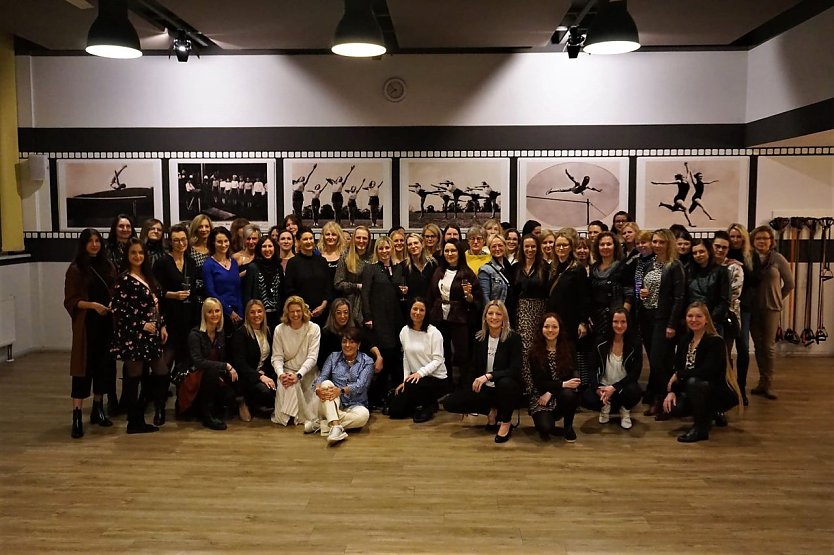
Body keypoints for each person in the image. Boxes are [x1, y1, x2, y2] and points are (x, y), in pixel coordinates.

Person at [110, 238, 169, 434]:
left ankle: (144, 407)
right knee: (133, 376)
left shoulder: (148, 276)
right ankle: (134, 420)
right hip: (133, 335)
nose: (138, 257)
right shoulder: (124, 279)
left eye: (141, 253)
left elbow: (157, 304)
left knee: (161, 372)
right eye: (133, 253)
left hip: (152, 334)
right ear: (127, 256)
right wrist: (142, 324)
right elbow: (119, 310)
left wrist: (161, 326)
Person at [443, 301, 523, 443]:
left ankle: (506, 422)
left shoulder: (513, 338)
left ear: (504, 317)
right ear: (485, 317)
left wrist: (489, 375)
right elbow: (472, 367)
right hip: (486, 390)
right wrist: (468, 393)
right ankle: (491, 411)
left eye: (498, 314)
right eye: (490, 313)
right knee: (451, 403)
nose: (494, 317)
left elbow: (514, 370)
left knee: (505, 383)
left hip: (505, 389)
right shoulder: (479, 338)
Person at [64, 229, 117, 438]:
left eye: (97, 241)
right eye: (90, 241)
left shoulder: (108, 265)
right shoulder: (76, 269)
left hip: (106, 323)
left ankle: (98, 407)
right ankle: (77, 413)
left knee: (103, 366)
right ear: (83, 244)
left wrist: (111, 304)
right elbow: (70, 300)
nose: (94, 245)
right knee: (83, 368)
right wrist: (93, 306)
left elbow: (114, 289)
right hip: (87, 325)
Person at [663, 302, 741, 442]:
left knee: (694, 382)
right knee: (675, 408)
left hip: (717, 390)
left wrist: (680, 375)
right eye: (690, 316)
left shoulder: (715, 342)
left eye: (698, 316)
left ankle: (701, 429)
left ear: (706, 319)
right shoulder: (684, 341)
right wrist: (672, 391)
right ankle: (710, 413)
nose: (693, 320)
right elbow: (677, 368)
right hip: (693, 389)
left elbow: (708, 371)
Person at [153, 224, 197, 423]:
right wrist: (172, 295)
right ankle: (159, 406)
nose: (181, 243)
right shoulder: (162, 262)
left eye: (183, 239)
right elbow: (154, 292)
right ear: (170, 241)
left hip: (188, 320)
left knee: (184, 365)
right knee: (164, 366)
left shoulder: (191, 262)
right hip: (169, 319)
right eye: (177, 240)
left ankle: (182, 406)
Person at [642, 229, 687, 419]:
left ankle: (665, 401)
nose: (657, 245)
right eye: (654, 241)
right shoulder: (650, 263)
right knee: (655, 362)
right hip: (647, 316)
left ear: (669, 243)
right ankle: (658, 398)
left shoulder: (674, 265)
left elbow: (679, 297)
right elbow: (640, 284)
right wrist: (641, 292)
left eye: (661, 242)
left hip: (664, 319)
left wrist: (672, 324)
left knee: (661, 362)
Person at [426, 239, 482, 387]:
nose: (449, 254)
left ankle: (464, 388)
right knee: (442, 353)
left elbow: (476, 299)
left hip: (460, 318)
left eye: (453, 251)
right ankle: (446, 385)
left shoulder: (467, 274)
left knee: (462, 354)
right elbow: (431, 294)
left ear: (459, 253)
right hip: (439, 317)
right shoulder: (438, 271)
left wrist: (469, 297)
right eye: (447, 251)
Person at [181, 298, 242, 430]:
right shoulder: (195, 334)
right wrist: (225, 366)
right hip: (195, 378)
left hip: (214, 376)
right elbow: (199, 362)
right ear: (204, 314)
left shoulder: (220, 333)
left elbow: (222, 357)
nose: (214, 315)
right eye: (210, 312)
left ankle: (212, 408)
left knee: (230, 394)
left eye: (217, 311)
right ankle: (206, 416)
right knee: (212, 371)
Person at [748, 225, 794, 400]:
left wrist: (776, 298)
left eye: (765, 238)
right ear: (753, 241)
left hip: (771, 308)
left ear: (771, 241)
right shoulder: (749, 259)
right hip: (752, 308)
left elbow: (790, 284)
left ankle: (769, 384)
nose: (761, 241)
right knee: (758, 346)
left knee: (768, 346)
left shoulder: (778, 259)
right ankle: (761, 381)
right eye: (758, 238)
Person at [361, 235, 406, 408]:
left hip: (395, 317)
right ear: (376, 251)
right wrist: (367, 317)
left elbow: (400, 290)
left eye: (387, 248)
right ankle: (375, 397)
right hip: (378, 317)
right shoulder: (370, 268)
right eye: (381, 248)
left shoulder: (399, 268)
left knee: (395, 354)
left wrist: (404, 291)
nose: (384, 251)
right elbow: (365, 294)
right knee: (384, 352)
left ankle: (393, 396)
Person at [310, 327, 374, 444]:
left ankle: (321, 425)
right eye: (344, 341)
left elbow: (362, 385)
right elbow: (322, 376)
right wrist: (318, 388)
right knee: (326, 383)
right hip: (333, 403)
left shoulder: (367, 361)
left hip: (356, 404)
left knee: (364, 416)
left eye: (351, 342)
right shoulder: (333, 357)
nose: (347, 345)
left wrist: (341, 391)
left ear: (358, 344)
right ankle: (335, 427)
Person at [388, 298, 447, 422]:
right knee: (394, 411)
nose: (418, 312)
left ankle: (429, 405)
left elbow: (438, 360)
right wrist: (405, 380)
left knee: (411, 388)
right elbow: (406, 357)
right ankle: (421, 403)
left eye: (422, 310)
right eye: (415, 309)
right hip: (415, 380)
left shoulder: (434, 333)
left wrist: (420, 373)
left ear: (426, 313)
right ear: (410, 310)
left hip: (436, 378)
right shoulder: (404, 331)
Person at [583, 308, 643, 430]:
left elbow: (635, 373)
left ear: (628, 323)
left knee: (635, 391)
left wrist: (615, 387)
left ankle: (624, 410)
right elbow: (592, 367)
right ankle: (605, 406)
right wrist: (597, 389)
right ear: (610, 323)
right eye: (615, 321)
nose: (619, 325)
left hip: (622, 387)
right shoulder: (600, 342)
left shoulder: (635, 343)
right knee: (586, 397)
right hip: (604, 386)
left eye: (623, 322)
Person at [528, 313, 581, 442]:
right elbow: (539, 382)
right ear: (541, 328)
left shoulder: (569, 348)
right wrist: (561, 385)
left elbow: (573, 376)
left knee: (569, 394)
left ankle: (568, 426)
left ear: (560, 329)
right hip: (541, 395)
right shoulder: (534, 351)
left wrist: (551, 392)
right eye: (546, 326)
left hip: (559, 393)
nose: (550, 330)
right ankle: (548, 420)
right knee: (545, 428)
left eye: (554, 327)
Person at [270, 296, 321, 427]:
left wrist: (298, 375)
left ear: (303, 311)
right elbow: (277, 357)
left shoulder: (314, 329)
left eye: (298, 310)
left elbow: (312, 357)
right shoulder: (279, 329)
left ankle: (296, 416)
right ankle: (288, 417)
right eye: (292, 311)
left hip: (307, 373)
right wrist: (281, 375)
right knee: (288, 384)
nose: (295, 314)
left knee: (312, 412)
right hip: (287, 372)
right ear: (287, 312)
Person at [231, 300, 277, 418]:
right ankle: (244, 403)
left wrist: (264, 371)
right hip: (246, 376)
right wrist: (259, 376)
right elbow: (239, 363)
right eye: (252, 312)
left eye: (259, 311)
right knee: (265, 392)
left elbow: (270, 357)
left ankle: (260, 406)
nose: (256, 315)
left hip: (262, 373)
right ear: (247, 315)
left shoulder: (267, 331)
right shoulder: (241, 333)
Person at [727, 223, 754, 404]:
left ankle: (741, 386)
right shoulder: (723, 256)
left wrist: (741, 266)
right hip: (726, 308)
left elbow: (756, 278)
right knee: (724, 349)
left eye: (738, 236)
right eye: (732, 236)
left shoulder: (751, 256)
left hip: (744, 308)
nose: (735, 240)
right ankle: (729, 387)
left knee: (743, 347)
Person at [589, 231, 633, 340]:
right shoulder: (593, 268)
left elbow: (629, 294)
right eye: (602, 244)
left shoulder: (624, 266)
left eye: (609, 244)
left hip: (617, 317)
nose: (605, 247)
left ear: (615, 246)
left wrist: (623, 317)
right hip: (597, 319)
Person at [284, 227, 331, 325]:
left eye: (311, 238)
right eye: (305, 239)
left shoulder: (322, 261)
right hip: (300, 313)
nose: (309, 241)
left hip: (323, 312)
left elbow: (328, 286)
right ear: (298, 242)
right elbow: (289, 289)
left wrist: (323, 305)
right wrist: (304, 308)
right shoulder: (292, 263)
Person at [203, 227, 243, 334]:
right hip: (219, 313)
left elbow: (237, 289)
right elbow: (210, 292)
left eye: (226, 241)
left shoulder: (234, 262)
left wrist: (240, 313)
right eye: (219, 242)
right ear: (213, 243)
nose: (223, 244)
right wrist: (229, 312)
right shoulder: (208, 264)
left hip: (237, 313)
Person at [688, 239, 730, 335]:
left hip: (713, 322)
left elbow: (724, 300)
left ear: (709, 252)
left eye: (702, 251)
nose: (698, 255)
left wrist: (709, 319)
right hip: (692, 321)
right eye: (695, 253)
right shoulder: (688, 272)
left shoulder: (721, 271)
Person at [334, 225, 371, 324]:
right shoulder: (345, 256)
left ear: (369, 240)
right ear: (353, 239)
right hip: (349, 305)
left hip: (369, 305)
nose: (361, 241)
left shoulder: (373, 257)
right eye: (358, 237)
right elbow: (338, 283)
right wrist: (357, 286)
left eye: (364, 238)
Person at [478, 234, 512, 304]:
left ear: (505, 246)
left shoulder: (511, 268)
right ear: (489, 249)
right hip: (497, 311)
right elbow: (485, 297)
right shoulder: (485, 270)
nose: (497, 249)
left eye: (500, 245)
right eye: (493, 246)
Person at [404, 233, 437, 302]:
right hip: (412, 307)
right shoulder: (404, 266)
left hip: (430, 305)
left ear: (422, 244)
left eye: (416, 243)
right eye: (410, 244)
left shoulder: (433, 264)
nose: (413, 246)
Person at [188, 214, 212, 305]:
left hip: (214, 293)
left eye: (206, 226)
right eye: (200, 227)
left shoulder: (214, 248)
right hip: (196, 294)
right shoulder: (189, 248)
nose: (204, 229)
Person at [318, 221, 345, 285]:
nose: (330, 237)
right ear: (323, 236)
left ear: (338, 236)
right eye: (327, 234)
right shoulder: (317, 255)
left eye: (333, 234)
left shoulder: (344, 255)